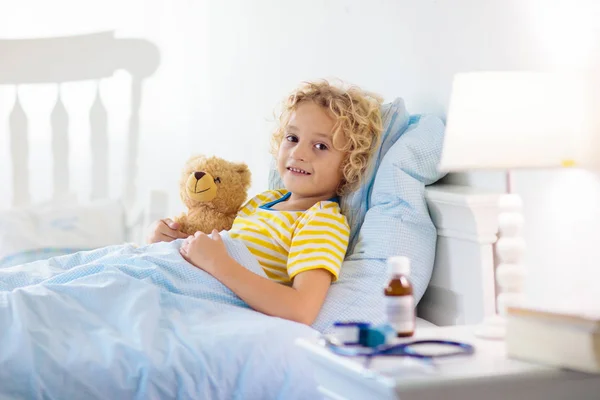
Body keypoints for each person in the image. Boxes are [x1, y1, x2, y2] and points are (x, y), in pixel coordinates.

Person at [147, 80, 383, 325]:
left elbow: (301, 309)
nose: (298, 153)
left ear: (349, 164)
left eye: (320, 146)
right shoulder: (263, 201)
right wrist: (167, 241)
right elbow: (211, 249)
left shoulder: (322, 220)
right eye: (292, 137)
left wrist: (219, 264)